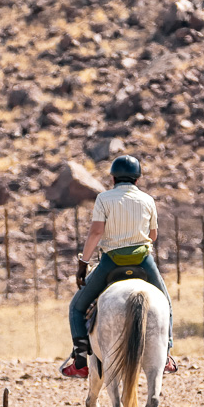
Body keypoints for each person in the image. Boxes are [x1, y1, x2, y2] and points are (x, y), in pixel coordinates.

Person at [61, 155, 176, 378]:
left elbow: (96, 233)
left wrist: (83, 263)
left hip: (110, 261)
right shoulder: (147, 200)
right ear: (137, 178)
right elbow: (152, 235)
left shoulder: (104, 199)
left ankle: (81, 359)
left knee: (76, 307)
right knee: (166, 302)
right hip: (143, 261)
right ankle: (167, 354)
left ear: (113, 178)